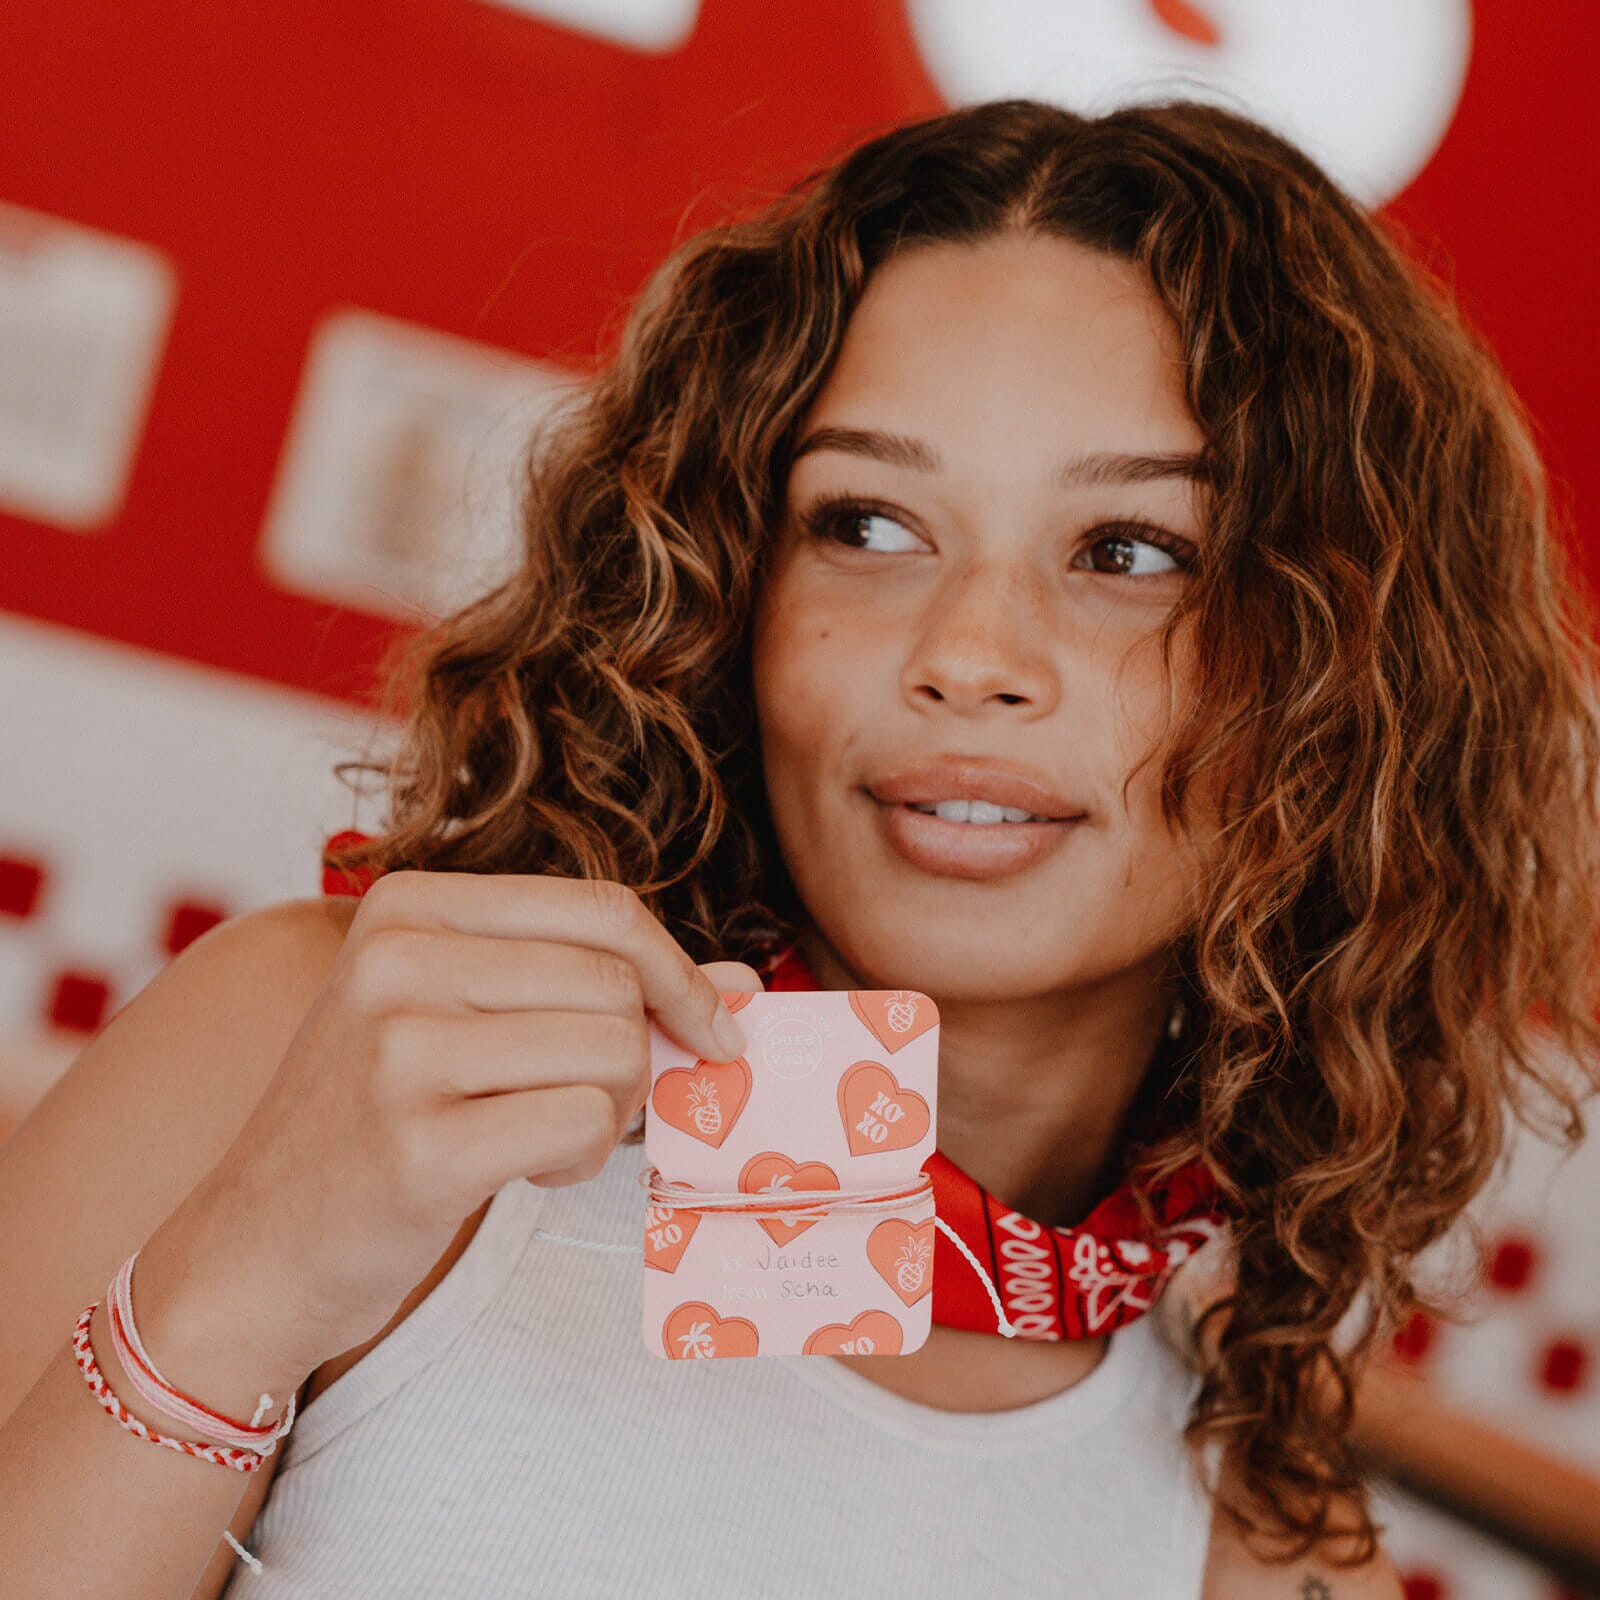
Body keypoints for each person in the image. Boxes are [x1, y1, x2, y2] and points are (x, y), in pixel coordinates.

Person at [2, 96, 1597, 1600]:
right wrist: (235, 1295)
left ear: (1357, 683)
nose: (970, 653)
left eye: (1129, 552)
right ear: (729, 589)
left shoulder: (1252, 1498)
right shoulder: (327, 1043)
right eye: (868, 523)